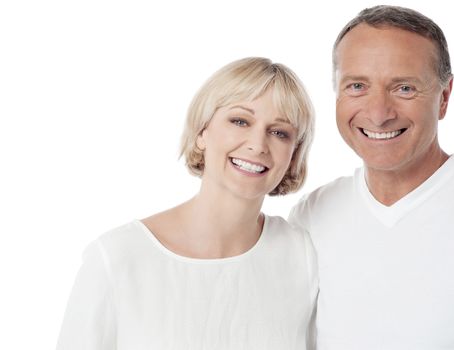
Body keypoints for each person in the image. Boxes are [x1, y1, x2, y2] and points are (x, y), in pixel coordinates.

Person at [289, 5, 454, 350]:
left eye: (404, 88)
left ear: (444, 97)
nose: (379, 113)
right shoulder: (312, 215)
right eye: (357, 86)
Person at [57, 57, 318, 350]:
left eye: (279, 132)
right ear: (201, 132)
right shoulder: (117, 258)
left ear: (293, 156)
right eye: (240, 121)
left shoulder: (303, 256)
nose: (258, 144)